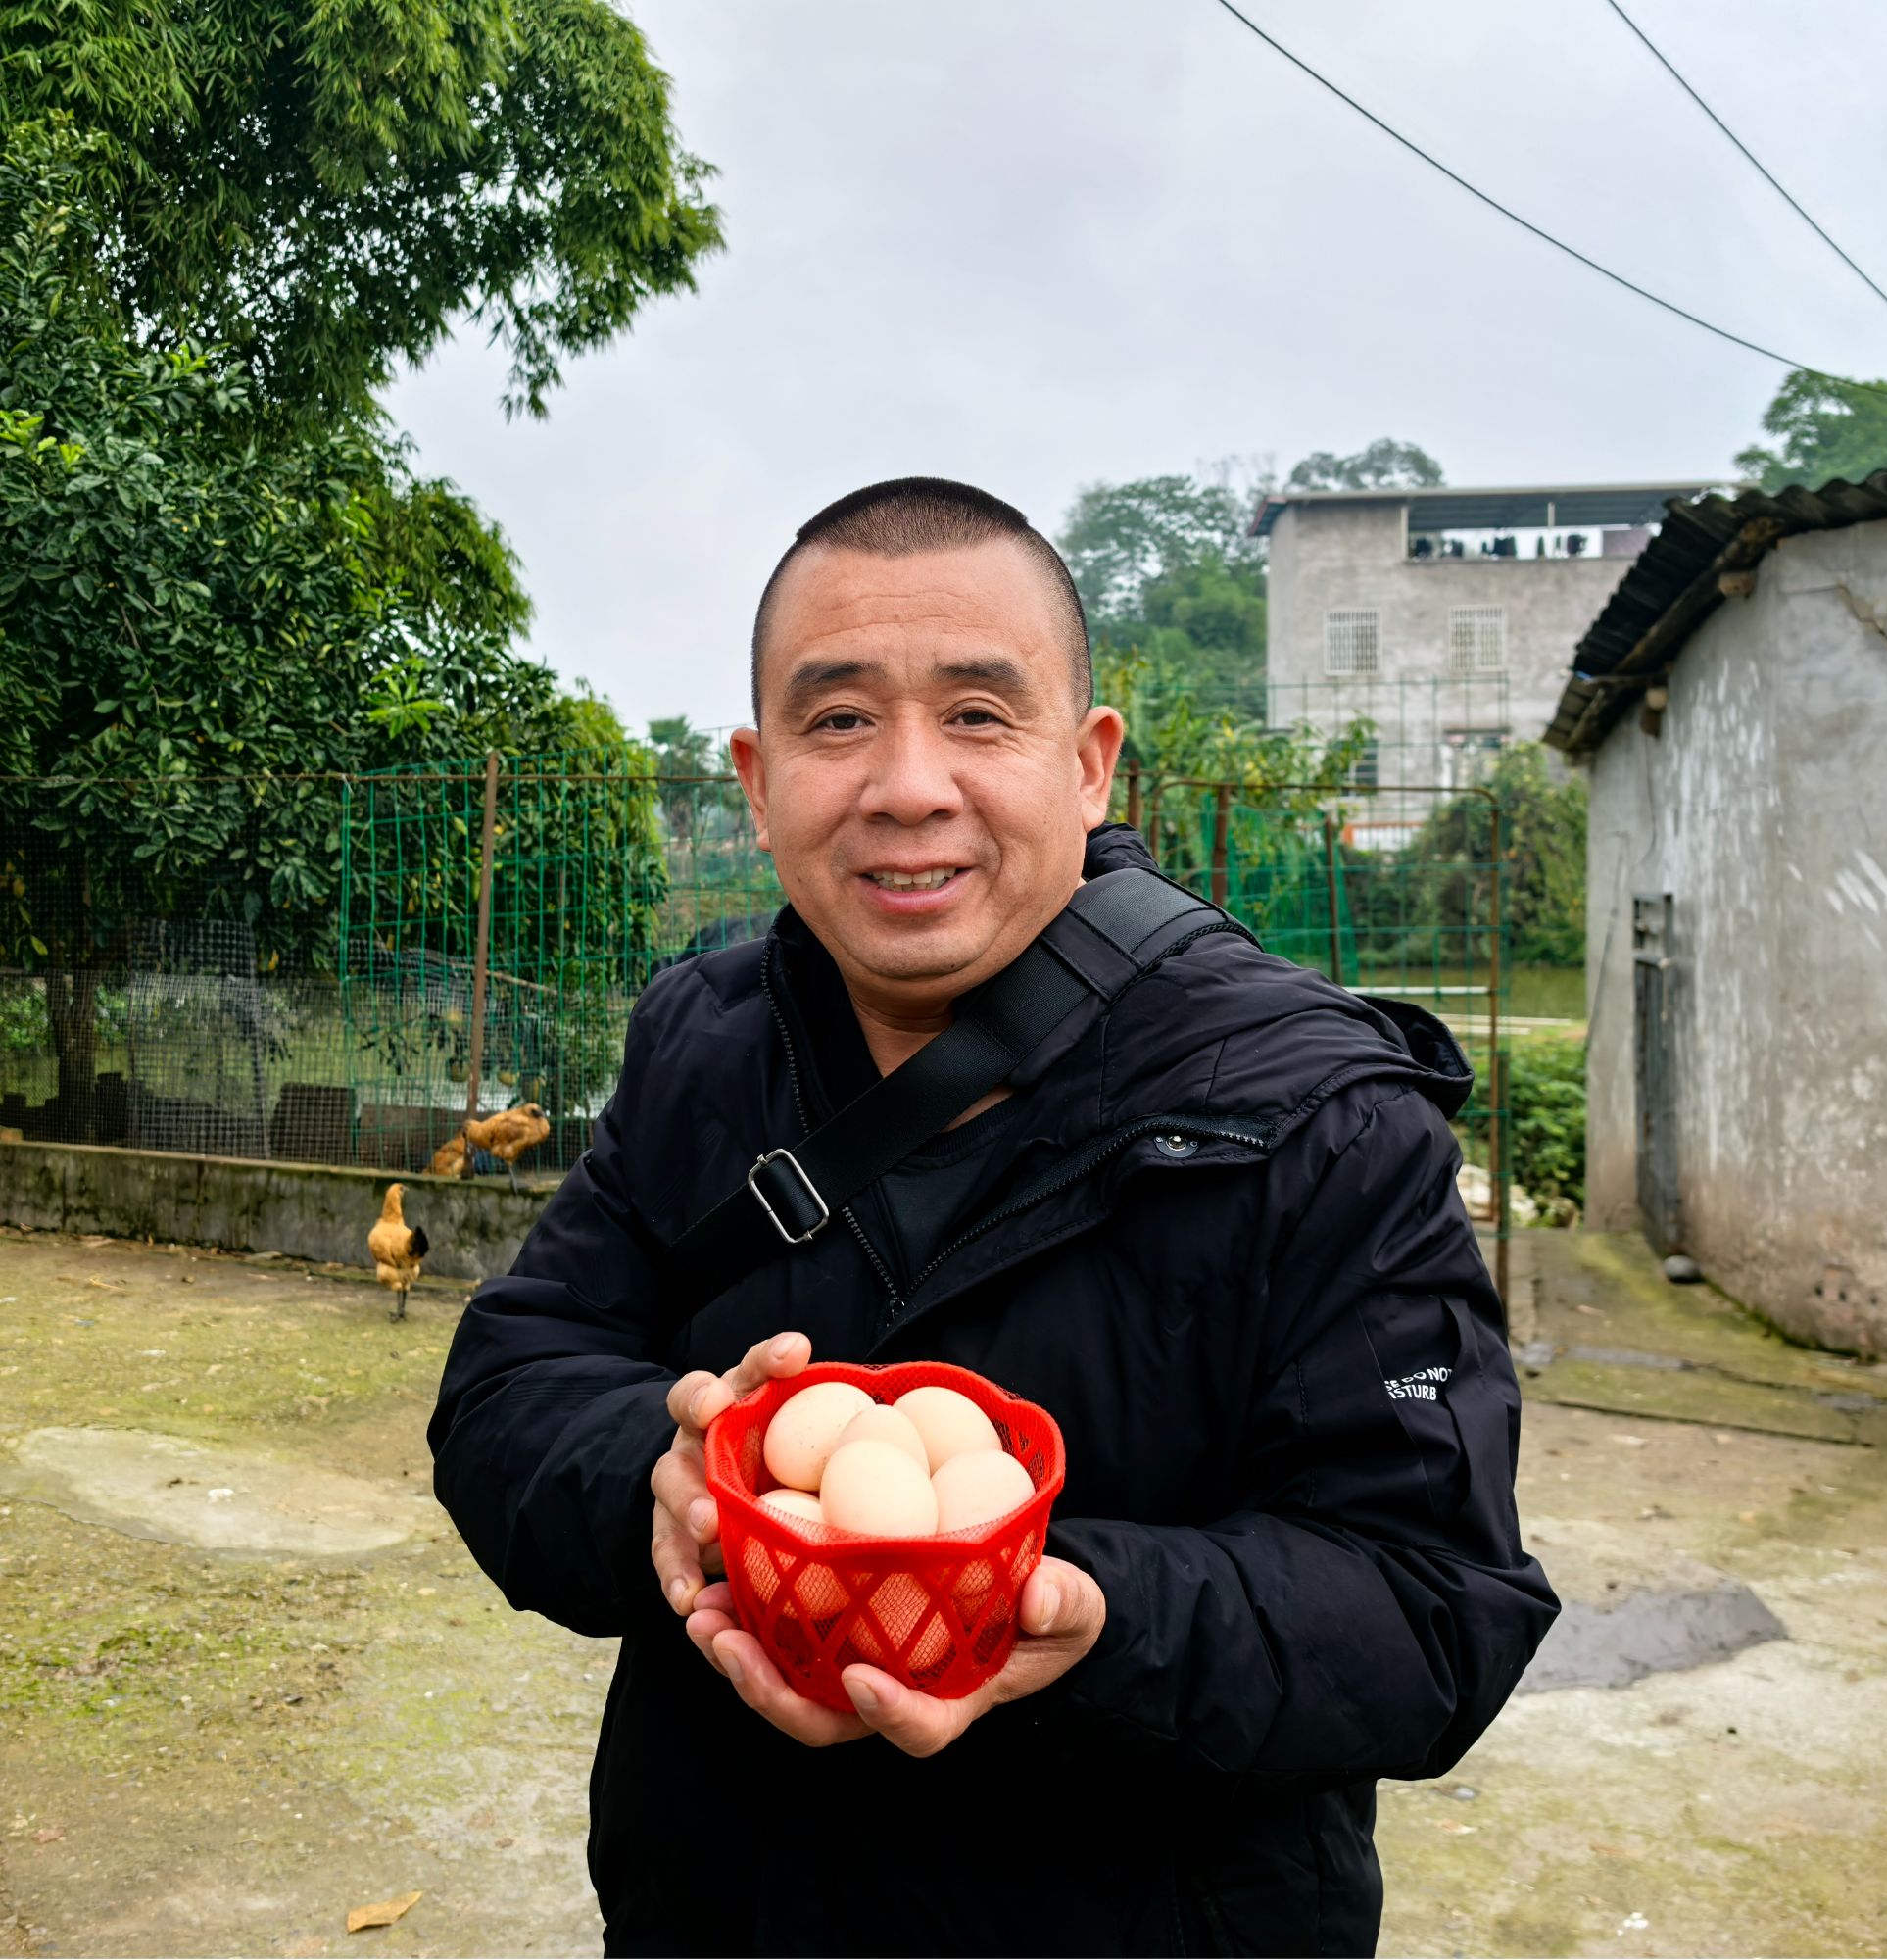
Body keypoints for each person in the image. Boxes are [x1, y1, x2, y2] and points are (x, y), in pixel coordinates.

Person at [429, 477, 1558, 1957]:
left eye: (978, 714)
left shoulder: (1317, 1114)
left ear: (1088, 767)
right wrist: (671, 1486)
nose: (908, 785)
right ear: (758, 781)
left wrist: (1094, 1617)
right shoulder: (705, 1043)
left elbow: (1433, 1607)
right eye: (839, 722)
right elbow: (512, 1384)